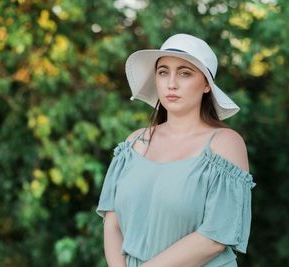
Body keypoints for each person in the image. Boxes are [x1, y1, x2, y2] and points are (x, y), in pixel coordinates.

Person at [96, 33, 256, 267]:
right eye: (163, 72)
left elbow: (214, 238)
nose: (171, 83)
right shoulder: (134, 143)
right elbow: (112, 223)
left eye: (185, 73)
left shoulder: (225, 143)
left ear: (206, 86)